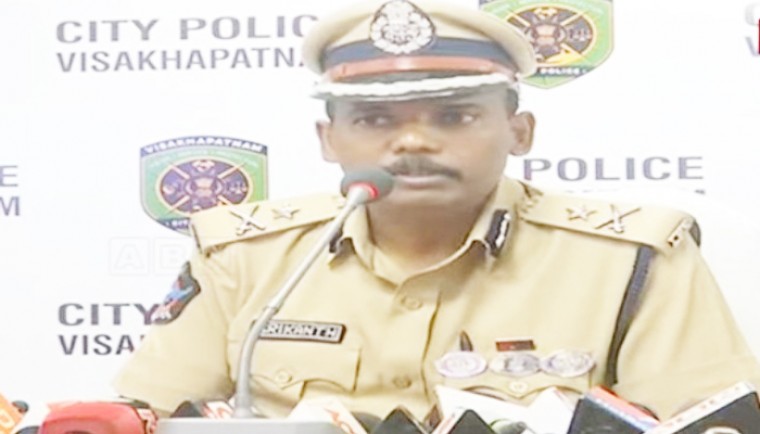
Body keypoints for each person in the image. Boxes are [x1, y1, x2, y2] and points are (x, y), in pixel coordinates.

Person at [113, 0, 760, 421]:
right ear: (329, 140)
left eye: (454, 117)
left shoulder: (632, 258)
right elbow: (148, 415)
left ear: (520, 132)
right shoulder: (243, 256)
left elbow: (709, 421)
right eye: (374, 120)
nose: (414, 142)